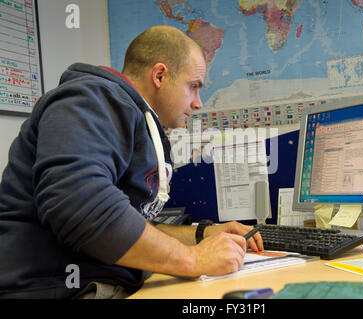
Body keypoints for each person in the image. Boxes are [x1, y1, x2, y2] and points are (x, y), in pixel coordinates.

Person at [0, 25, 263, 299]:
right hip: (55, 289)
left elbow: (137, 226)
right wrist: (192, 259)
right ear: (160, 75)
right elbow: (78, 204)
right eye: (193, 86)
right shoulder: (91, 99)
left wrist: (203, 235)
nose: (198, 103)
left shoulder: (131, 116)